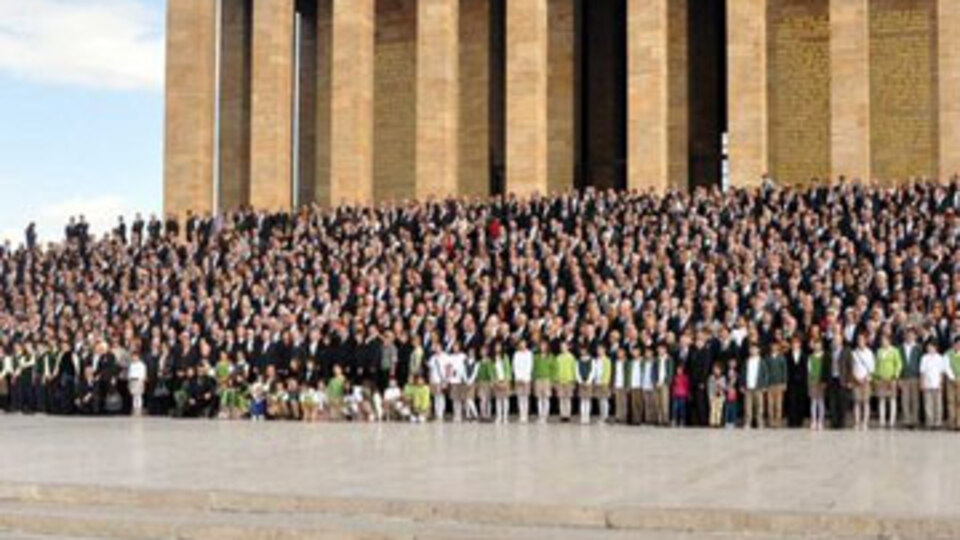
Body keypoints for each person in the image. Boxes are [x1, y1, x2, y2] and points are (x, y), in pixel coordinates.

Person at [920, 342, 954, 429]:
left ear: (936, 348)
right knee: (928, 403)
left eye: (932, 347)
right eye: (928, 347)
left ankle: (938, 422)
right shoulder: (924, 358)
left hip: (937, 383)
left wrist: (941, 383)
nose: (930, 349)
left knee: (938, 403)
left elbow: (941, 372)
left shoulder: (940, 358)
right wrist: (922, 383)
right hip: (927, 383)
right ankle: (929, 422)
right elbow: (922, 372)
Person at [823, 335, 853, 429]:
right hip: (832, 379)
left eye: (837, 340)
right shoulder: (829, 352)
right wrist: (824, 380)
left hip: (842, 379)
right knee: (832, 401)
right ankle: (834, 422)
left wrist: (849, 380)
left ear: (841, 341)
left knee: (842, 402)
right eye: (834, 340)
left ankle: (841, 422)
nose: (835, 342)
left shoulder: (846, 351)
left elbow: (850, 366)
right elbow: (825, 367)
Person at [874, 333, 903, 429]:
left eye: (885, 340)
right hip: (881, 378)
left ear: (889, 341)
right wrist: (876, 377)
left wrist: (895, 375)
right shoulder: (879, 351)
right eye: (882, 341)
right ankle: (882, 421)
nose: (883, 342)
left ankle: (892, 421)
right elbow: (876, 365)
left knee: (892, 400)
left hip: (891, 378)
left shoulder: (895, 351)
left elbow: (898, 364)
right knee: (881, 400)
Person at [899, 328, 923, 428]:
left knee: (915, 399)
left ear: (915, 336)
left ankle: (914, 420)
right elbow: (898, 363)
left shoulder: (918, 348)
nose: (909, 337)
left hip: (915, 376)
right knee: (905, 399)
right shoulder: (900, 348)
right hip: (904, 376)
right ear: (905, 336)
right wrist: (899, 378)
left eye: (911, 335)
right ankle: (906, 420)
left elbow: (921, 364)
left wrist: (921, 377)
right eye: (907, 335)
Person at [851, 334, 876, 430]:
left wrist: (866, 378)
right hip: (856, 380)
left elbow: (872, 367)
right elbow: (852, 367)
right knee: (857, 402)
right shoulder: (853, 353)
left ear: (865, 341)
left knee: (866, 402)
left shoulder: (869, 353)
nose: (860, 342)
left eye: (862, 340)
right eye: (859, 340)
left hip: (866, 380)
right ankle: (857, 422)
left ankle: (865, 422)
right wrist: (856, 378)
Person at [785, 337, 808, 428]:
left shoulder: (804, 355)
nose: (795, 345)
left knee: (800, 400)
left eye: (797, 343)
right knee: (791, 401)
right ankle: (792, 421)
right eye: (793, 343)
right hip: (791, 381)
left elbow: (806, 369)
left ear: (800, 344)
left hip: (801, 381)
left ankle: (799, 420)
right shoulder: (787, 355)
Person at [742, 345, 767, 429]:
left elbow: (765, 374)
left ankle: (760, 423)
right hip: (748, 387)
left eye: (755, 349)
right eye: (751, 349)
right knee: (747, 406)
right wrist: (742, 385)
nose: (753, 350)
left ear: (758, 350)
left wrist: (764, 385)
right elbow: (742, 374)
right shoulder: (746, 361)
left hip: (758, 386)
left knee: (759, 406)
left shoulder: (762, 361)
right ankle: (747, 423)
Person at [764, 342, 787, 428]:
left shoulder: (781, 358)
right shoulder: (767, 358)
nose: (774, 348)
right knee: (770, 404)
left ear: (778, 347)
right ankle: (771, 421)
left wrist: (784, 382)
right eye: (772, 346)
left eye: (776, 346)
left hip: (779, 384)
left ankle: (778, 421)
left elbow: (784, 371)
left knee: (778, 404)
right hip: (770, 384)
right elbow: (765, 371)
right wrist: (765, 383)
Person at [554, 342, 577, 422]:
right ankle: (562, 414)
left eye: (564, 347)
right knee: (561, 398)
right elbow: (556, 369)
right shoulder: (558, 358)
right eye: (561, 347)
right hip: (560, 380)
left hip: (569, 380)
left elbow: (574, 369)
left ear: (568, 347)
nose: (563, 348)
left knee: (567, 398)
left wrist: (574, 379)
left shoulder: (571, 357)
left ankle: (568, 415)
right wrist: (556, 380)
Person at [532, 341, 554, 424]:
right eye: (541, 346)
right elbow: (533, 368)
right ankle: (540, 415)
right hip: (538, 379)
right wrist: (534, 378)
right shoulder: (536, 357)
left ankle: (545, 415)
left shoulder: (550, 357)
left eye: (544, 346)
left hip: (547, 379)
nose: (543, 347)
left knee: (546, 398)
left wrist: (552, 379)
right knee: (539, 398)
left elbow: (554, 369)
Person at [512, 340, 533, 424]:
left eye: (524, 344)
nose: (522, 345)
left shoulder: (529, 354)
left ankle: (525, 415)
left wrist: (525, 378)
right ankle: (521, 415)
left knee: (525, 397)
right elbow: (515, 366)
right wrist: (518, 377)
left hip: (526, 378)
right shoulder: (516, 354)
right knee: (520, 397)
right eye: (521, 344)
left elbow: (530, 366)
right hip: (518, 378)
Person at [807, 339, 826, 430]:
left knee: (821, 402)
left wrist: (824, 380)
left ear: (821, 346)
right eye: (816, 345)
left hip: (821, 381)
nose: (817, 347)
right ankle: (813, 420)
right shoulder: (810, 357)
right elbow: (809, 370)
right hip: (813, 381)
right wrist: (810, 380)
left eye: (819, 345)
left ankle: (820, 421)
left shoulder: (824, 356)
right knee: (813, 402)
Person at [492, 344, 512, 424]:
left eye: (499, 346)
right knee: (498, 400)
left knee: (505, 400)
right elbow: (491, 371)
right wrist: (495, 381)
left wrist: (507, 381)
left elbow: (508, 369)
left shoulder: (505, 357)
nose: (497, 347)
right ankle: (499, 416)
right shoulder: (492, 358)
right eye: (496, 346)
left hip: (505, 381)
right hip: (497, 381)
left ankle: (505, 417)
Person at [576, 348, 595, 425]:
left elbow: (593, 371)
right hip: (581, 382)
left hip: (588, 382)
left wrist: (588, 381)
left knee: (587, 399)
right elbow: (576, 371)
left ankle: (587, 416)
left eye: (584, 350)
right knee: (582, 400)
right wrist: (580, 380)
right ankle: (583, 416)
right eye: (581, 350)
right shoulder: (578, 361)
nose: (582, 351)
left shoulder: (591, 360)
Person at [707, 363, 726, 428]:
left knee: (719, 409)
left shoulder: (723, 378)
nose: (716, 371)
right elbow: (709, 387)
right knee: (713, 409)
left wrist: (720, 384)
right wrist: (710, 396)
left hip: (720, 396)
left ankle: (718, 422)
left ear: (720, 370)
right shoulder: (711, 378)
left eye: (718, 369)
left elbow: (724, 387)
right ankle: (712, 422)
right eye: (715, 369)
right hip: (713, 395)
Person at [947, 338, 960, 430]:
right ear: (953, 344)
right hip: (950, 380)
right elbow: (946, 367)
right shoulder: (948, 354)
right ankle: (951, 422)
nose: (958, 346)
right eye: (957, 344)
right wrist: (953, 378)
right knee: (951, 401)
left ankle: (959, 423)